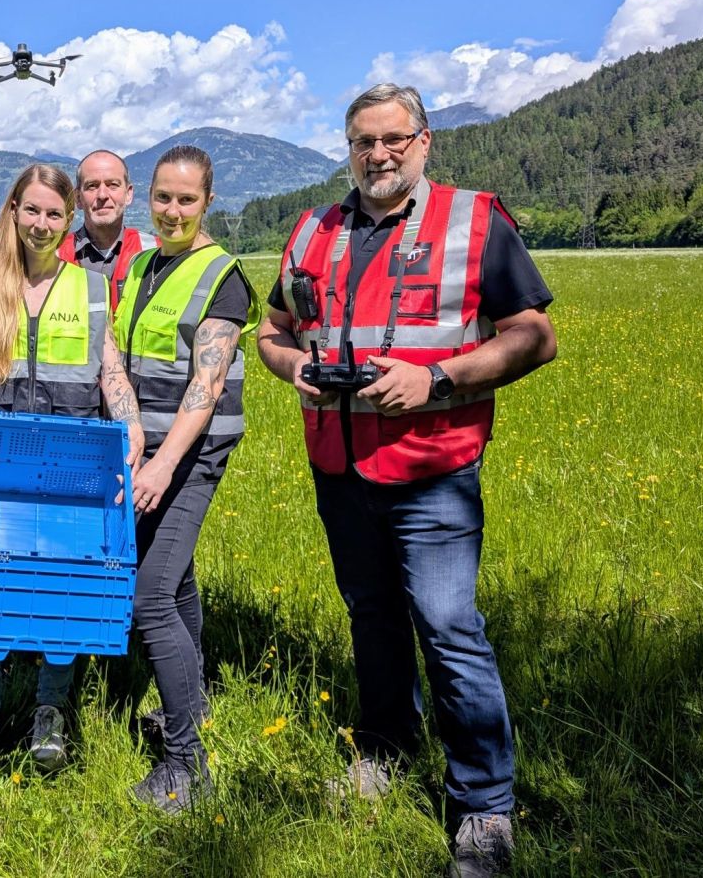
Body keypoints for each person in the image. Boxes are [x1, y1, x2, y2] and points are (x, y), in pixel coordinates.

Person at [256, 84, 557, 878]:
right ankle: (385, 749)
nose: (378, 154)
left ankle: (484, 805)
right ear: (348, 148)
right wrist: (292, 368)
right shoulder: (313, 230)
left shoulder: (473, 222)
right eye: (364, 141)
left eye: (394, 139)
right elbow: (273, 332)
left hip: (433, 468)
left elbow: (536, 335)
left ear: (424, 142)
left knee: (449, 627)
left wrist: (438, 379)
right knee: (373, 616)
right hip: (339, 463)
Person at [0, 163, 145, 773]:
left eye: (54, 214)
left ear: (69, 219)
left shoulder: (91, 287)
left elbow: (109, 367)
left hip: (70, 460)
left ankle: (50, 710)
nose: (41, 223)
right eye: (31, 210)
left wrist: (132, 423)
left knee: (64, 586)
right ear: (13, 210)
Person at [114, 145, 259, 812]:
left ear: (208, 201)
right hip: (145, 449)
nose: (172, 211)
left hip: (189, 454)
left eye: (187, 200)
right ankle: (191, 707)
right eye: (163, 198)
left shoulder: (222, 275)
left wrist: (163, 464)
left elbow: (206, 384)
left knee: (148, 599)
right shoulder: (143, 266)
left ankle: (185, 765)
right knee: (177, 584)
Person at [57, 149, 158, 309]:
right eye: (92, 186)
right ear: (78, 198)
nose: (102, 195)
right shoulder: (55, 256)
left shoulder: (156, 251)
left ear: (128, 194)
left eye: (113, 185)